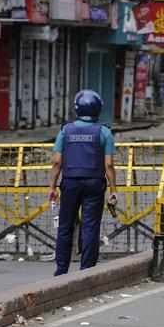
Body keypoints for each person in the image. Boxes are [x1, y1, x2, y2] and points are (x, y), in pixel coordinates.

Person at [47, 90, 116, 276]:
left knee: (65, 225)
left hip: (69, 183)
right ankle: (87, 269)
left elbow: (56, 162)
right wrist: (113, 190)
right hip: (95, 183)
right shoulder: (104, 132)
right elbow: (108, 164)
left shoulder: (65, 130)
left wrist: (52, 187)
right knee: (90, 226)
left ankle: (61, 269)